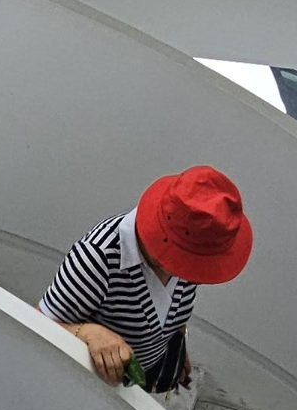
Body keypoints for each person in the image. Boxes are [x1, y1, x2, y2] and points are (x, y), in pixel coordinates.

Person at [41, 165, 254, 392]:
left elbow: (169, 304)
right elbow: (38, 325)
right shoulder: (98, 257)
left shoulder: (190, 245)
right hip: (90, 386)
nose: (199, 277)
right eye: (196, 262)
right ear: (172, 245)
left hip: (140, 375)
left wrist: (176, 344)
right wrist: (86, 333)